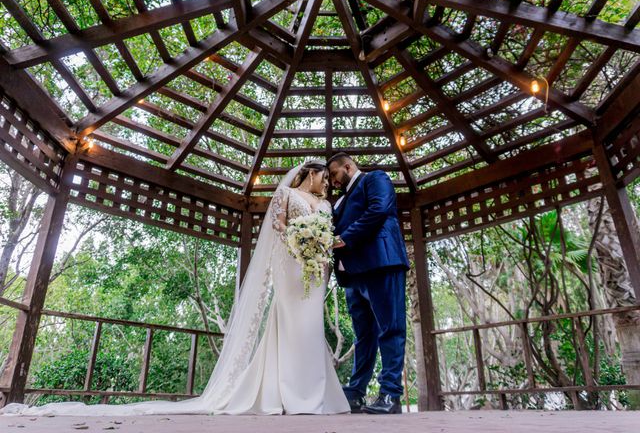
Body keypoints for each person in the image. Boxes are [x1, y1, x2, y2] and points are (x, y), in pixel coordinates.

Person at [1, 160, 350, 416]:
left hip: (316, 271)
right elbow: (278, 227)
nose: (327, 186)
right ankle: (286, 392)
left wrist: (321, 249)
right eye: (324, 179)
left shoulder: (327, 205)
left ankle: (315, 392)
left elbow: (329, 236)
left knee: (311, 326)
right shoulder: (287, 194)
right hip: (290, 267)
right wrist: (296, 245)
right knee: (290, 325)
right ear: (310, 174)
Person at [328, 152, 410, 415]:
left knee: (391, 328)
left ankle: (390, 394)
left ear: (348, 166)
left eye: (333, 174)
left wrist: (342, 239)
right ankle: (356, 392)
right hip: (353, 275)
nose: (332, 181)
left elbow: (379, 209)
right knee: (364, 336)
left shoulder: (375, 178)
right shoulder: (339, 201)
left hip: (381, 263)